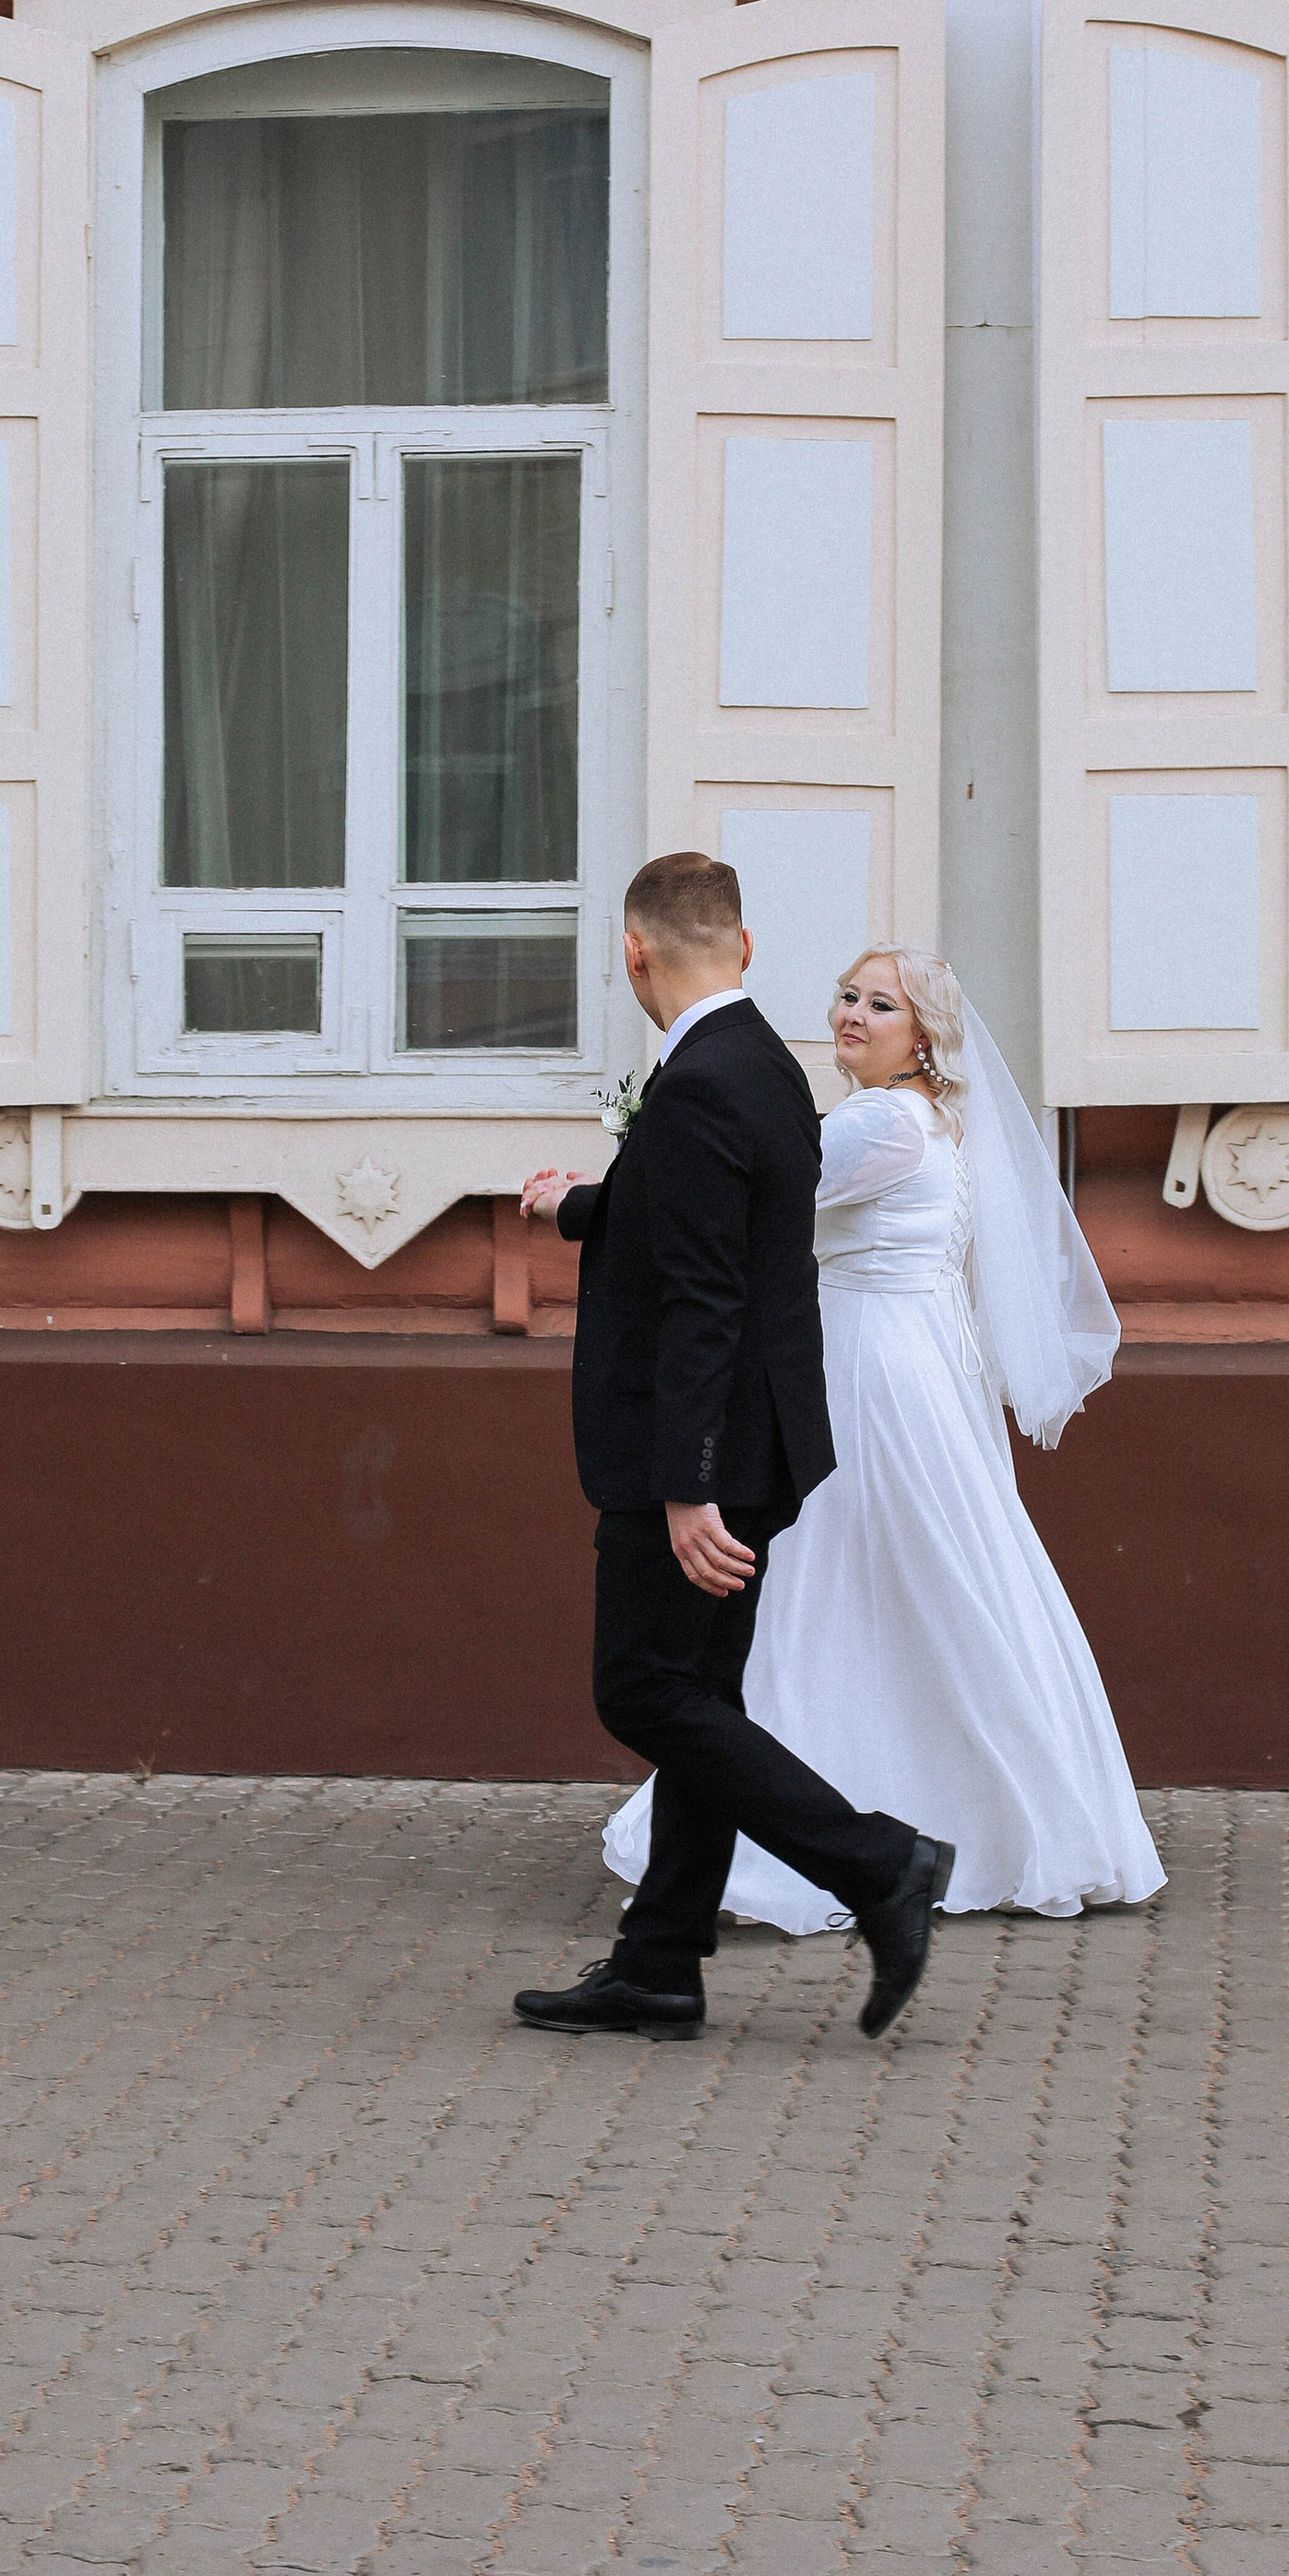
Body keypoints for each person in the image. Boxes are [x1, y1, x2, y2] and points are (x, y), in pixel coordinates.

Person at [603, 948, 1164, 1929]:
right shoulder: (932, 1120)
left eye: (880, 1005)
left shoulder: (876, 1123)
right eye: (847, 997)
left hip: (864, 1373)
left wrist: (636, 1172)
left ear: (923, 1034)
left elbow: (752, 1210)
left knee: (834, 1584)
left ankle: (839, 1829)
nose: (852, 1015)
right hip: (909, 1362)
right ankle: (973, 1811)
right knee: (923, 1583)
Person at [512, 854, 956, 2044]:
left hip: (703, 1450)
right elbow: (718, 1216)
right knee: (699, 1692)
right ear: (747, 950)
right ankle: (659, 1967)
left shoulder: (702, 1080)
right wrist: (588, 1205)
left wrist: (684, 1486)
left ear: (631, 955)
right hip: (761, 1433)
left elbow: (704, 1296)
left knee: (644, 1689)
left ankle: (879, 1864)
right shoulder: (757, 1061)